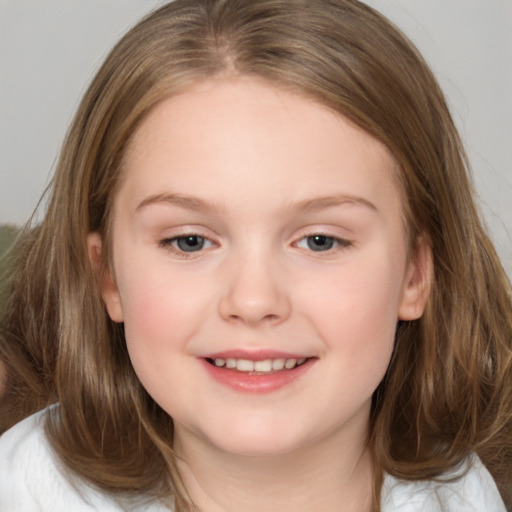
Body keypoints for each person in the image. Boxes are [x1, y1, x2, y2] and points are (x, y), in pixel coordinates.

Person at [0, 0, 511, 510]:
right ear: (108, 277)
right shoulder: (26, 491)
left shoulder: (460, 495)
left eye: (320, 241)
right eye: (190, 241)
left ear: (416, 275)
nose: (253, 300)